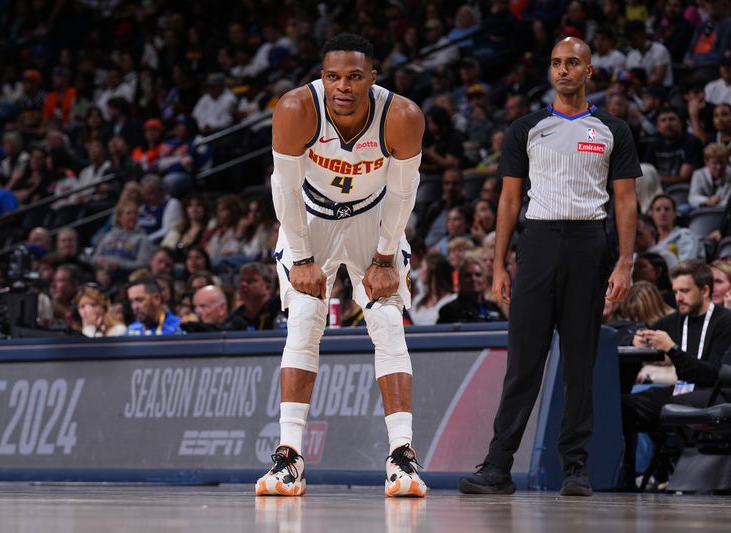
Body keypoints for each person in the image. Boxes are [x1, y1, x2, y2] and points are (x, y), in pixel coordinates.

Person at [458, 37, 640, 497]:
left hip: (588, 244)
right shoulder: (526, 128)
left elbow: (625, 200)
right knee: (523, 362)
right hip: (536, 244)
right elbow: (509, 199)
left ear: (589, 71)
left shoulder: (612, 128)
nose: (563, 70)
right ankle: (498, 467)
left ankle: (574, 468)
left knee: (580, 362)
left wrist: (624, 261)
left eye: (572, 63)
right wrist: (498, 264)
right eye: (556, 63)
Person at [256, 33, 427, 498]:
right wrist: (305, 258)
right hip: (309, 219)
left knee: (389, 320)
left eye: (354, 77)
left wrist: (386, 257)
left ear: (372, 78)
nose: (343, 87)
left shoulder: (402, 115)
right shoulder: (296, 109)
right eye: (333, 77)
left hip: (374, 218)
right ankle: (289, 457)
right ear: (322, 76)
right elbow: (285, 191)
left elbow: (403, 192)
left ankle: (402, 457)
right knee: (306, 320)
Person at [623, 260, 731, 489]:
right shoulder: (674, 320)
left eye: (684, 291)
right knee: (625, 406)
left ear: (704, 290)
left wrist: (672, 350)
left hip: (713, 393)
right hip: (682, 391)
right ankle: (627, 479)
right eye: (675, 292)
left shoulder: (724, 322)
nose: (678, 297)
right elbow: (638, 327)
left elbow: (712, 374)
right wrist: (636, 337)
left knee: (673, 402)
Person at [408, 252, 457, 325]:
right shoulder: (418, 300)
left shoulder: (452, 300)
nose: (420, 272)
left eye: (422, 267)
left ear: (431, 270)